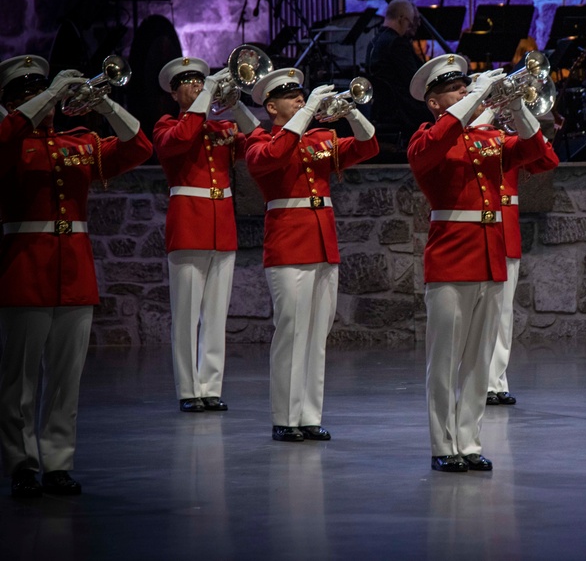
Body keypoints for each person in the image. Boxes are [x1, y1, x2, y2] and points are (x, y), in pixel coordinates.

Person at [0, 55, 152, 497]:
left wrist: (104, 105)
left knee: (67, 379)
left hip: (75, 272)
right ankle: (22, 465)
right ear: (14, 103)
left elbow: (139, 146)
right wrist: (48, 94)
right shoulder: (11, 139)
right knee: (19, 381)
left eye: (42, 91)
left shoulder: (78, 141)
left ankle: (58, 463)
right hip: (24, 270)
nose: (44, 104)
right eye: (28, 95)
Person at [407, 54, 547, 472]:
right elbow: (435, 146)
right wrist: (476, 100)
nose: (464, 92)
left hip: (490, 255)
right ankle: (442, 444)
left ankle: (468, 442)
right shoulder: (426, 137)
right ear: (434, 102)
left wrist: (517, 105)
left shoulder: (488, 141)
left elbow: (541, 155)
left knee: (478, 361)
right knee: (445, 360)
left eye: (465, 86)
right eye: (455, 89)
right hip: (451, 257)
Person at [245, 69, 378, 443]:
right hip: (287, 245)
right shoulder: (260, 139)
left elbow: (368, 145)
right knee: (291, 331)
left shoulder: (320, 139)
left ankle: (308, 415)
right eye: (290, 97)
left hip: (323, 244)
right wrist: (307, 114)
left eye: (300, 95)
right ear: (271, 106)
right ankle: (284, 417)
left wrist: (350, 113)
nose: (299, 100)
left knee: (317, 334)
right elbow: (273, 156)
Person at [154, 56, 262, 414]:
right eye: (187, 82)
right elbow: (185, 134)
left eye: (200, 81)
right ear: (174, 92)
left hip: (221, 226)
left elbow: (257, 142)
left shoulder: (221, 129)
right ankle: (188, 389)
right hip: (188, 225)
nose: (197, 86)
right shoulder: (166, 127)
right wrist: (209, 96)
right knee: (186, 315)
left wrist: (237, 104)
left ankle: (211, 387)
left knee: (216, 314)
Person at [468, 109, 560, 407]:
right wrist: (488, 110)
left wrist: (520, 111)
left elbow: (547, 160)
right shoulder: (468, 135)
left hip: (506, 231)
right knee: (473, 316)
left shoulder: (506, 140)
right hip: (476, 231)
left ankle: (496, 381)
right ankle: (475, 380)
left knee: (503, 313)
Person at [365, 0, 428, 159]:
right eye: (410, 20)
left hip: (382, 109)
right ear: (401, 19)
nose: (412, 25)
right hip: (404, 111)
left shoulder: (373, 42)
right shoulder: (397, 44)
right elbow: (416, 79)